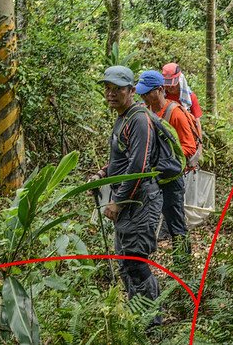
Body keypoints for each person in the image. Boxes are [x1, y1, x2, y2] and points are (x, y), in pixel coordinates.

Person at [88, 65, 168, 327]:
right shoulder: (122, 118)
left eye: (117, 89)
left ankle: (151, 322)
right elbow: (122, 159)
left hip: (140, 201)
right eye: (107, 88)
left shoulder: (139, 119)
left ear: (132, 91)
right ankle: (137, 318)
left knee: (135, 261)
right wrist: (102, 173)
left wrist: (118, 202)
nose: (111, 93)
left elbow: (139, 166)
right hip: (129, 201)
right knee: (125, 261)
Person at [135, 70, 196, 266]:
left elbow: (189, 146)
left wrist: (166, 161)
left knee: (176, 223)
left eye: (147, 93)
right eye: (141, 93)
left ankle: (183, 264)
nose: (143, 97)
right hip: (153, 177)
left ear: (160, 90)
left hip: (171, 179)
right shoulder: (146, 111)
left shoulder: (175, 113)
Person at [161, 63, 203, 133]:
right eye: (168, 84)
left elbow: (197, 121)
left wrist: (200, 141)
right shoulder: (163, 96)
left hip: (185, 132)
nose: (170, 87)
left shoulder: (190, 97)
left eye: (173, 84)